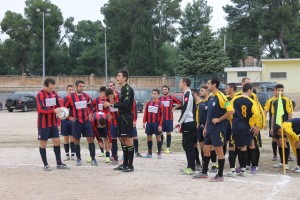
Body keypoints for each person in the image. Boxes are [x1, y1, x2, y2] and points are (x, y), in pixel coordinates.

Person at [194, 77, 234, 182]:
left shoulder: (222, 97)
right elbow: (209, 115)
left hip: (218, 129)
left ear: (214, 85)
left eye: (208, 83)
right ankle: (204, 172)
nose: (207, 85)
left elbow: (231, 111)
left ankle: (220, 175)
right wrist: (206, 127)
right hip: (210, 129)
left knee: (219, 151)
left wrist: (219, 119)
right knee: (206, 150)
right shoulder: (211, 97)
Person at [104, 70, 135, 172]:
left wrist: (112, 105)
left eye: (119, 76)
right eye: (117, 76)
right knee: (122, 140)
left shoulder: (127, 89)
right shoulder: (122, 89)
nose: (117, 77)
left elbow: (126, 104)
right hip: (121, 117)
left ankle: (130, 165)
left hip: (126, 117)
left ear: (125, 78)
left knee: (128, 140)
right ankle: (124, 164)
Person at [36, 78, 69, 171]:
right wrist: (53, 110)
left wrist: (63, 110)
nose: (52, 90)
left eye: (53, 88)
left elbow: (59, 103)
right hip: (43, 124)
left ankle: (59, 163)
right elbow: (41, 109)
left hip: (53, 123)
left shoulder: (54, 93)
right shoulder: (40, 95)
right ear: (45, 86)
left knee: (57, 142)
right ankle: (45, 165)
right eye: (50, 88)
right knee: (43, 143)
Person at [64, 80, 98, 166]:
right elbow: (63, 110)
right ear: (76, 87)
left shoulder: (86, 96)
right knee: (76, 140)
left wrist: (90, 114)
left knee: (90, 139)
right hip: (77, 122)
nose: (82, 88)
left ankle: (93, 159)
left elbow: (91, 105)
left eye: (83, 86)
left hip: (86, 122)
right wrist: (69, 117)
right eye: (80, 87)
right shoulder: (70, 97)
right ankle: (78, 159)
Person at [230, 83, 261, 176]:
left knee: (233, 147)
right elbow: (256, 114)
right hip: (246, 127)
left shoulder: (234, 99)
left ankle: (232, 170)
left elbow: (230, 111)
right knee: (244, 147)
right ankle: (243, 170)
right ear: (250, 90)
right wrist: (252, 124)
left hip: (235, 126)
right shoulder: (252, 101)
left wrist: (232, 120)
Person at [177, 78, 197, 175]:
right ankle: (189, 166)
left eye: (180, 82)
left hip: (189, 122)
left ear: (184, 83)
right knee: (186, 145)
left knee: (189, 146)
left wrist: (179, 122)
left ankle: (191, 168)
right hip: (186, 123)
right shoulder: (185, 94)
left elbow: (186, 109)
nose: (179, 84)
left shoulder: (188, 94)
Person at [271, 84, 293, 169]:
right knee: (279, 143)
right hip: (277, 125)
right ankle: (281, 162)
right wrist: (272, 127)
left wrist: (288, 125)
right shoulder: (274, 101)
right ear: (275, 91)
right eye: (279, 90)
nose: (281, 92)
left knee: (284, 143)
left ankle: (286, 163)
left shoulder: (286, 100)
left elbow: (290, 113)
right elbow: (273, 115)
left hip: (284, 125)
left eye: (282, 90)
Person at [159, 85, 181, 153]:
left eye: (166, 89)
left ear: (168, 90)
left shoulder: (171, 97)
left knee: (168, 133)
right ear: (162, 90)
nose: (164, 90)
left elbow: (179, 103)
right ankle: (161, 147)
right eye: (163, 89)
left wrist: (174, 108)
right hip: (161, 118)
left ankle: (168, 148)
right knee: (160, 132)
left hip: (169, 118)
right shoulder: (160, 98)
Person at [142, 89, 164, 159]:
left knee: (158, 137)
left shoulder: (160, 104)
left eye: (155, 94)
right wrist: (144, 122)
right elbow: (146, 113)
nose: (154, 95)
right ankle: (149, 153)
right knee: (149, 137)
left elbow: (162, 116)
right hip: (149, 123)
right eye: (153, 93)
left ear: (158, 95)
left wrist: (160, 125)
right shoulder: (148, 103)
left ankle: (159, 153)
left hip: (156, 123)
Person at [225, 82, 239, 177]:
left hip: (236, 126)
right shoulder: (226, 99)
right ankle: (236, 169)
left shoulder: (238, 98)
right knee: (230, 146)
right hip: (228, 126)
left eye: (227, 88)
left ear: (232, 89)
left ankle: (235, 170)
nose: (226, 89)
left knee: (235, 147)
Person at [91, 86, 108, 158]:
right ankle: (94, 155)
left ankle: (108, 155)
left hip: (105, 121)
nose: (104, 95)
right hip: (97, 121)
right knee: (93, 136)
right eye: (103, 93)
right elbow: (91, 108)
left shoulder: (107, 100)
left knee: (105, 137)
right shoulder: (96, 100)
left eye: (105, 93)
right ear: (100, 93)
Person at [59, 85, 75, 161]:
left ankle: (73, 154)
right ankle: (67, 154)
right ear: (67, 90)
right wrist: (59, 124)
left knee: (72, 138)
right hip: (65, 121)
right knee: (66, 138)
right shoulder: (63, 100)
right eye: (69, 89)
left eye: (72, 89)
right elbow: (62, 111)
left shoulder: (75, 99)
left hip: (73, 121)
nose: (71, 91)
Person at [106, 81, 120, 165]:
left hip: (120, 123)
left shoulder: (119, 96)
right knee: (113, 141)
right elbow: (107, 110)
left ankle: (126, 157)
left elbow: (120, 107)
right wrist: (108, 114)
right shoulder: (107, 99)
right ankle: (115, 158)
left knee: (123, 140)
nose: (110, 97)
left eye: (112, 86)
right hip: (113, 123)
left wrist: (111, 105)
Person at [264, 89, 278, 161]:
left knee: (285, 139)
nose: (279, 92)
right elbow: (265, 111)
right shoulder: (270, 100)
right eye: (277, 90)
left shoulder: (286, 99)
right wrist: (264, 122)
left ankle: (287, 155)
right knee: (274, 138)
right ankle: (275, 154)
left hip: (284, 122)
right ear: (274, 91)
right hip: (273, 122)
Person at [191, 88, 202, 170]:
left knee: (203, 145)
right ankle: (197, 162)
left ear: (196, 94)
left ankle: (205, 163)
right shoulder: (192, 104)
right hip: (193, 127)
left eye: (192, 94)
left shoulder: (201, 103)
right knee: (194, 145)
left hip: (201, 127)